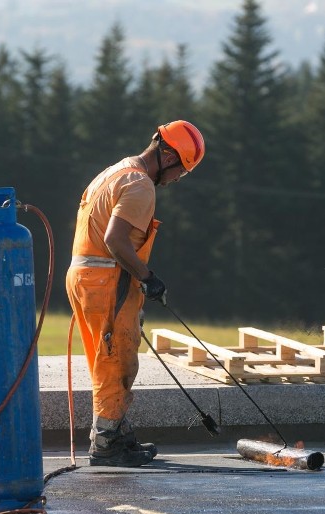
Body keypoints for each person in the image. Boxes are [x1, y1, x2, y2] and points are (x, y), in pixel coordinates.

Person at [66, 120, 205, 467]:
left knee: (109, 359)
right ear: (169, 156)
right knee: (117, 362)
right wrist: (148, 277)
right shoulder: (141, 185)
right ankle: (106, 443)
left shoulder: (114, 171)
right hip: (106, 281)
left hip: (84, 276)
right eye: (182, 172)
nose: (176, 180)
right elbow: (115, 240)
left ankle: (118, 433)